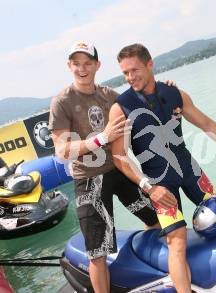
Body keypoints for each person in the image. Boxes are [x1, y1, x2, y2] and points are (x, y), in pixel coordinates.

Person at [109, 43, 216, 293]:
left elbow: (206, 123)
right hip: (160, 184)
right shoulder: (121, 108)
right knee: (177, 242)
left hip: (190, 172)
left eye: (134, 70)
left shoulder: (175, 94)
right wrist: (149, 188)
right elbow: (119, 157)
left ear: (149, 64)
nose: (130, 77)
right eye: (125, 73)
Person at [49, 41, 162, 293]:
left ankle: (151, 273)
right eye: (76, 64)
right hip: (88, 181)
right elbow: (62, 150)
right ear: (69, 66)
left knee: (156, 219)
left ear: (97, 65)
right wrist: (102, 138)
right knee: (97, 253)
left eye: (88, 63)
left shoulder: (110, 95)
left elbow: (145, 100)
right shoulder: (62, 101)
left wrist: (168, 91)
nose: (82, 68)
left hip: (119, 170)